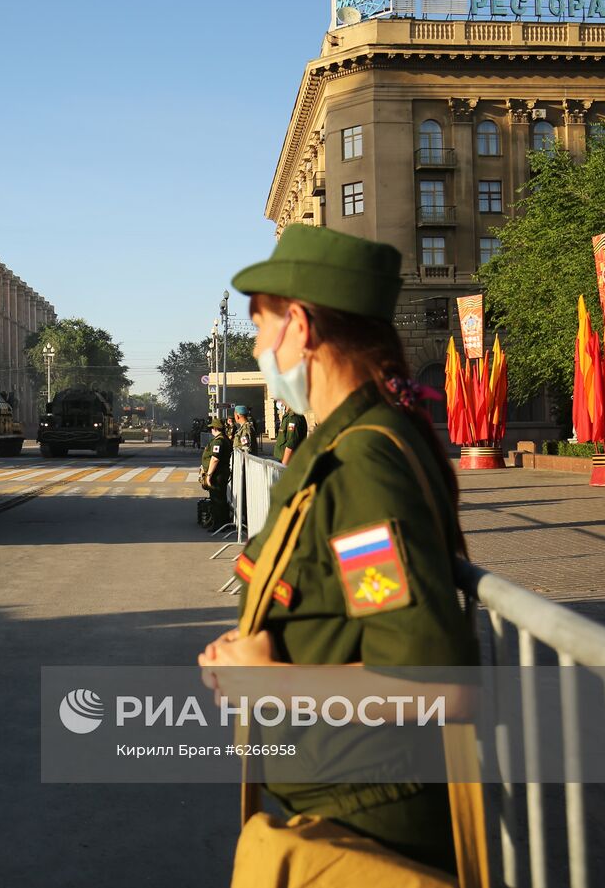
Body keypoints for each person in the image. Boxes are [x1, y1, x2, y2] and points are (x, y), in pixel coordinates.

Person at [196, 224, 477, 878]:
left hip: (364, 829)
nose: (262, 348)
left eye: (262, 329)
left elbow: (433, 682)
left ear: (300, 325)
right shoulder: (345, 445)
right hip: (338, 807)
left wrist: (273, 682)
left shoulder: (364, 460)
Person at [199, 416, 233, 530]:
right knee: (220, 498)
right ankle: (223, 522)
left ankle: (219, 524)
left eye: (211, 428)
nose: (210, 431)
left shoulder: (219, 441)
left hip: (218, 474)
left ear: (214, 428)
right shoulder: (223, 439)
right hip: (220, 473)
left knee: (217, 499)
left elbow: (215, 459)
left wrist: (208, 475)